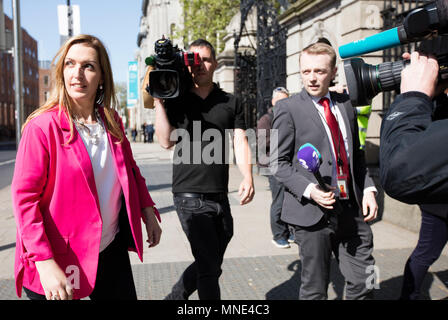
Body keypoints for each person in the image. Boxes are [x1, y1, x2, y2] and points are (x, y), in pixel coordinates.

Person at [11, 34, 162, 301]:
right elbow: (24, 199)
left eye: (88, 66)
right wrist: (44, 262)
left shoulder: (112, 120)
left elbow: (130, 168)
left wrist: (147, 209)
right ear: (62, 71)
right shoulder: (42, 127)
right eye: (70, 64)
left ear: (102, 76)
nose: (77, 74)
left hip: (108, 247)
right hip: (59, 255)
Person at [270, 42, 378, 300]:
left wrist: (369, 188)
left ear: (332, 72)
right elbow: (277, 163)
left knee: (365, 280)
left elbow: (357, 154)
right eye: (306, 72)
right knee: (315, 289)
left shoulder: (346, 104)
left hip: (351, 208)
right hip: (311, 214)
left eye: (319, 71)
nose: (312, 78)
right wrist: (311, 191)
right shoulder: (287, 109)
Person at [153, 38, 254, 300]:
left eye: (205, 60)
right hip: (188, 195)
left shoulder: (231, 102)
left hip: (220, 194)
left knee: (212, 258)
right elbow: (165, 141)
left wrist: (248, 176)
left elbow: (240, 140)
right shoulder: (176, 98)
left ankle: (175, 296)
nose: (199, 65)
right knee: (209, 268)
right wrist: (159, 102)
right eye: (194, 60)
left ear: (215, 64)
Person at [380, 51, 448, 299]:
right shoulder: (438, 104)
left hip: (433, 197)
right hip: (437, 208)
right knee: (425, 254)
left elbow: (399, 169)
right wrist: (431, 95)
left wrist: (412, 97)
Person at [257, 87, 294, 248]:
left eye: (286, 100)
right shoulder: (266, 119)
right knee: (279, 200)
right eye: (279, 100)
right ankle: (278, 234)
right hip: (272, 165)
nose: (283, 103)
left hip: (288, 164)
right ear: (273, 102)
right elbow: (261, 142)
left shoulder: (290, 116)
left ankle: (290, 231)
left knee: (290, 199)